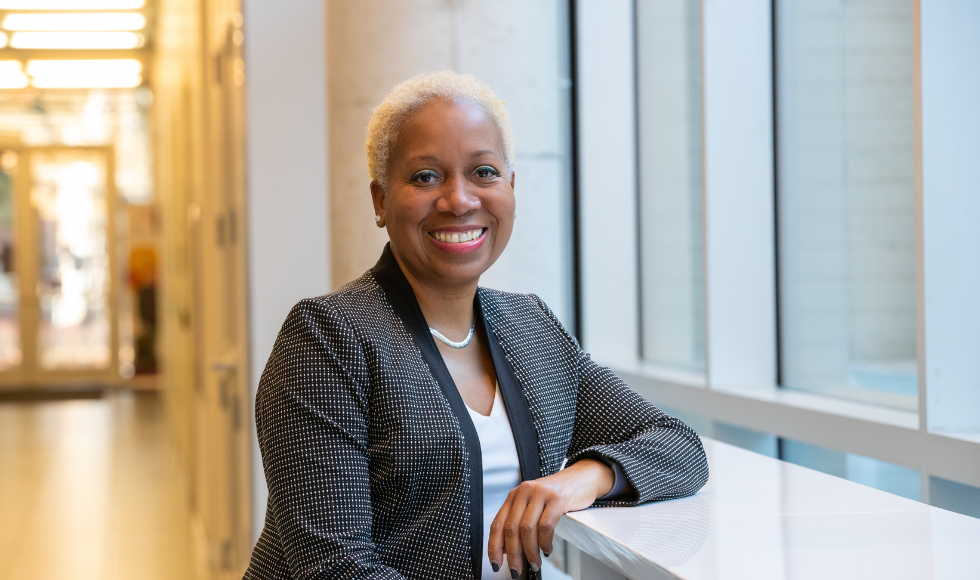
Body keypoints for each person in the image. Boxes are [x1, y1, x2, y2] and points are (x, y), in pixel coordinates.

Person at [244, 70, 708, 580]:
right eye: (425, 177)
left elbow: (675, 444)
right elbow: (334, 566)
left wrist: (582, 478)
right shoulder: (327, 337)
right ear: (380, 200)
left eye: (483, 172)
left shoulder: (529, 328)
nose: (459, 200)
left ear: (510, 186)